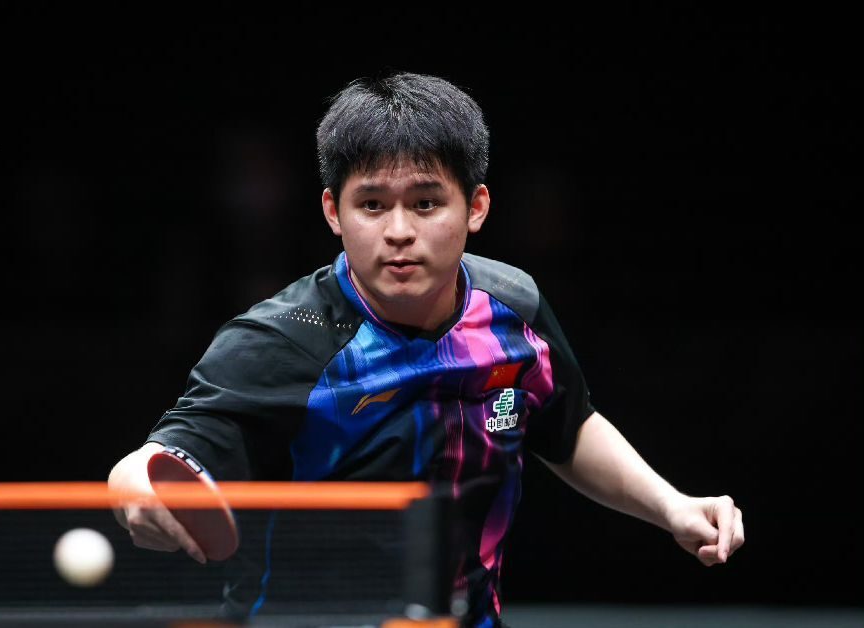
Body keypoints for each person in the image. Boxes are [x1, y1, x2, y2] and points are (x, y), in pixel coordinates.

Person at [109, 71, 745, 627]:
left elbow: (568, 426)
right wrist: (135, 483)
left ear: (476, 207)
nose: (399, 231)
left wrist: (672, 506)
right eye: (371, 204)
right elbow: (169, 452)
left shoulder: (513, 308)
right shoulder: (282, 339)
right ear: (333, 212)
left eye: (426, 203)